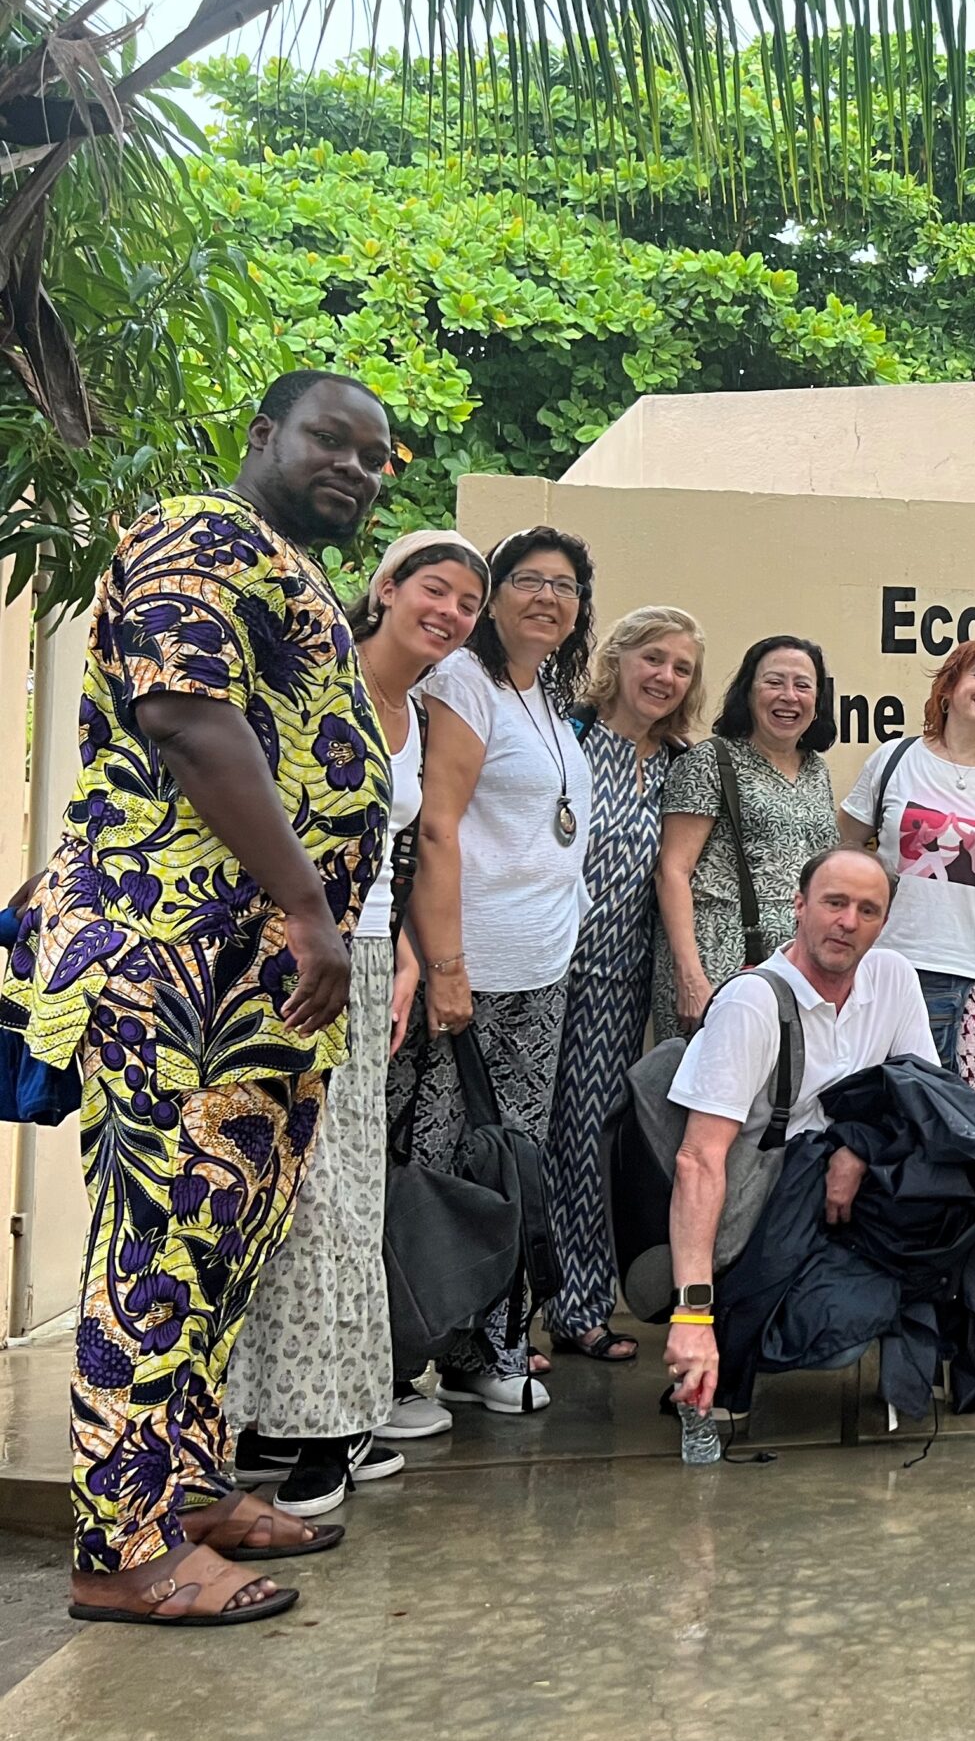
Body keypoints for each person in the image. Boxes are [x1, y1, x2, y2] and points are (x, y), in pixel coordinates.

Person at [4, 370, 393, 1625]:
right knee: (163, 1239)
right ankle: (123, 1552)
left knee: (224, 1237)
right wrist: (305, 902)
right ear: (263, 435)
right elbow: (186, 716)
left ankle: (179, 1486)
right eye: (335, 439)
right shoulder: (196, 532)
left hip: (255, 973)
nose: (359, 467)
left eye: (378, 458)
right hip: (187, 948)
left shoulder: (278, 565)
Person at [226, 529, 487, 1516]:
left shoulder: (421, 718)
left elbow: (407, 848)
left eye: (466, 602)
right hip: (281, 952)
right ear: (386, 587)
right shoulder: (310, 684)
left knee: (338, 1195)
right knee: (265, 1185)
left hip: (368, 958)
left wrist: (418, 952)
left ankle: (336, 1424)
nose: (450, 611)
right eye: (436, 588)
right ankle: (272, 1415)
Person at [388, 524, 597, 1416]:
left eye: (565, 584)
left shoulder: (543, 696)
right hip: (466, 970)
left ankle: (482, 1349)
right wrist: (445, 966)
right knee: (429, 1161)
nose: (546, 596)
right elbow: (434, 829)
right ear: (493, 597)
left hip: (540, 974)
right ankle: (397, 1362)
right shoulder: (461, 683)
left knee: (507, 1164)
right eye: (526, 580)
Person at [662, 849, 942, 1415]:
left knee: (958, 1179)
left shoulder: (893, 976)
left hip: (841, 1199)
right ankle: (732, 1344)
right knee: (834, 1328)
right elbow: (699, 1159)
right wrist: (691, 1314)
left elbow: (928, 1101)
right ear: (799, 905)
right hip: (763, 1215)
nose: (848, 922)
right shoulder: (753, 1003)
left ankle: (936, 1364)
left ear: (883, 924)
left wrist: (857, 1148)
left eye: (868, 910)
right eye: (834, 903)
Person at [545, 607, 705, 1364]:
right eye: (654, 659)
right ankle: (501, 1321)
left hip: (621, 977)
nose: (665, 677)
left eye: (681, 668)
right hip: (544, 966)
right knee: (523, 1133)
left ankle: (577, 1306)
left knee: (589, 1137)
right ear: (620, 659)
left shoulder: (678, 765)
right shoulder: (567, 738)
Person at [840, 639, 975, 1079]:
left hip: (970, 975)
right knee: (871, 1112)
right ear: (948, 688)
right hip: (882, 965)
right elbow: (847, 851)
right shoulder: (895, 758)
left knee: (955, 1122)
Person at [655, 635, 842, 1039]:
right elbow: (672, 870)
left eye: (803, 685)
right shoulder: (710, 760)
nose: (789, 696)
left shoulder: (816, 771)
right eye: (774, 682)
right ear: (749, 691)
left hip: (796, 966)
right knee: (713, 1090)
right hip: (719, 961)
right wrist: (689, 975)